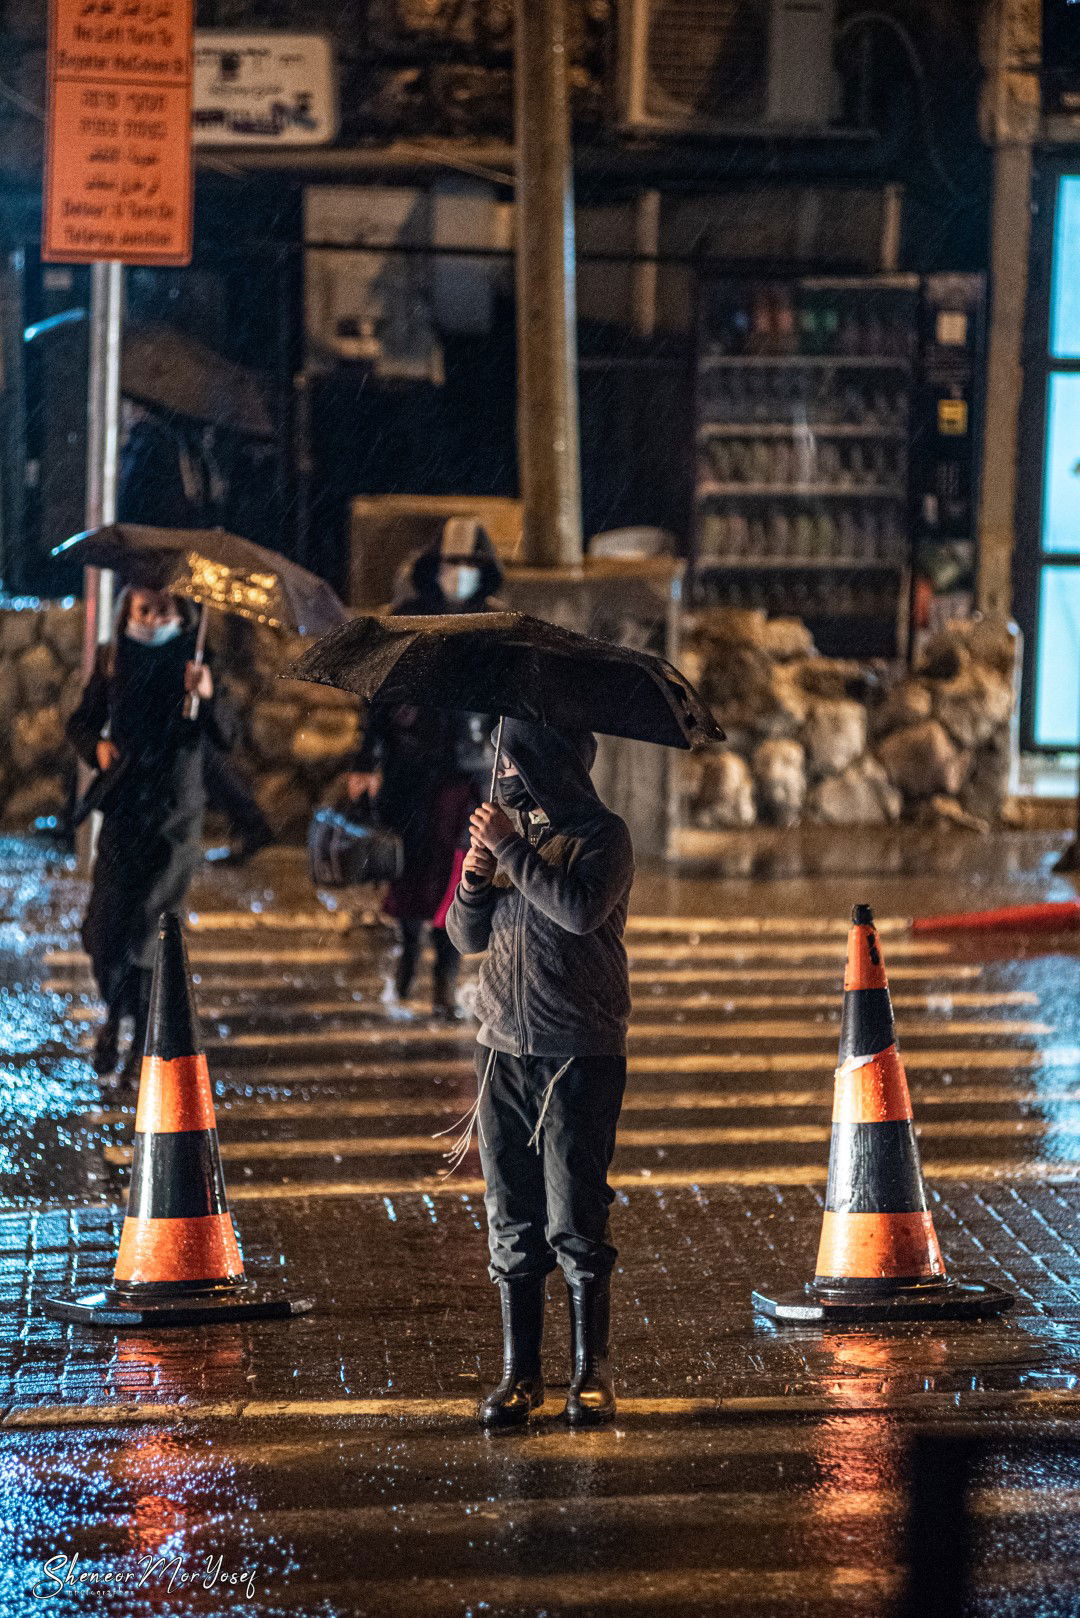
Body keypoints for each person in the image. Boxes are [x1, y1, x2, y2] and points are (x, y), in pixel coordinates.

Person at [445, 718, 635, 1429]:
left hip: (578, 1052)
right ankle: (520, 1375)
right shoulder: (509, 835)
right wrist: (474, 880)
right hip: (501, 1050)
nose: (501, 776)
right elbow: (464, 937)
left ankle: (591, 1373)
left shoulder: (602, 836)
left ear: (550, 765)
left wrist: (509, 850)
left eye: (513, 764)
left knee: (576, 1217)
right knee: (512, 1219)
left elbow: (579, 912)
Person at [66, 584, 238, 1085]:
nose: (154, 617)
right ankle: (116, 1011)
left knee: (149, 932)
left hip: (174, 817)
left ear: (181, 612)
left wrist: (206, 695)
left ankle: (140, 1045)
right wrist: (97, 748)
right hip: (124, 810)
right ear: (128, 611)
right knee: (102, 931)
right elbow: (82, 722)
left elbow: (228, 735)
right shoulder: (113, 658)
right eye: (144, 609)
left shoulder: (197, 658)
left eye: (164, 609)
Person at [346, 517, 503, 1019]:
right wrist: (367, 759)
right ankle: (408, 963)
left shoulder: (495, 626)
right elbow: (377, 698)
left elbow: (505, 705)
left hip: (465, 775)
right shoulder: (407, 619)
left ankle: (444, 981)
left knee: (457, 878)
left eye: (469, 563)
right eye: (452, 561)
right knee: (410, 874)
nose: (459, 571)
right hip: (410, 772)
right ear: (435, 565)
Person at [117, 399, 274, 868]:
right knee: (172, 719)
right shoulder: (187, 449)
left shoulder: (154, 449)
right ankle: (250, 820)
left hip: (165, 584)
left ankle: (250, 819)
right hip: (178, 583)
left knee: (179, 719)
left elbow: (145, 510)